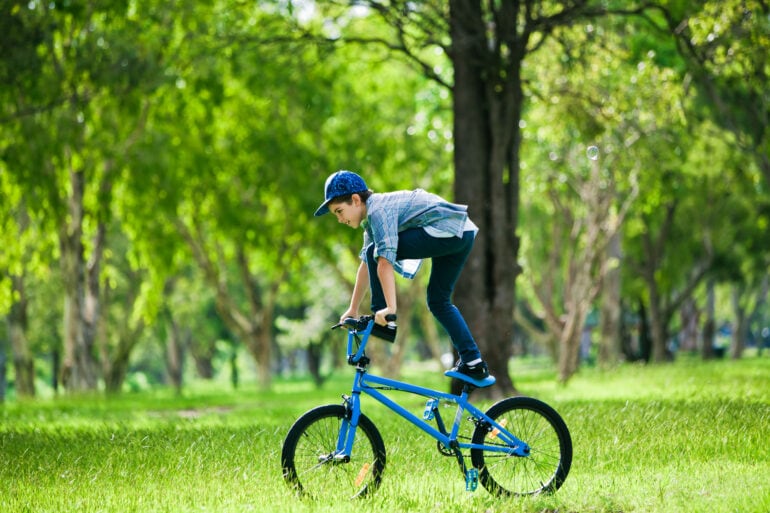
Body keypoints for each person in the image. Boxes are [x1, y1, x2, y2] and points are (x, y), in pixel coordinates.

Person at [314, 170, 494, 384]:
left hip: (447, 228)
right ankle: (473, 362)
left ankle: (385, 321)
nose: (339, 219)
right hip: (460, 233)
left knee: (378, 252)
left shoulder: (378, 211)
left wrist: (389, 310)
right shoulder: (370, 223)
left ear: (355, 200)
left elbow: (383, 262)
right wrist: (352, 308)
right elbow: (365, 264)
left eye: (339, 211)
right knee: (438, 301)